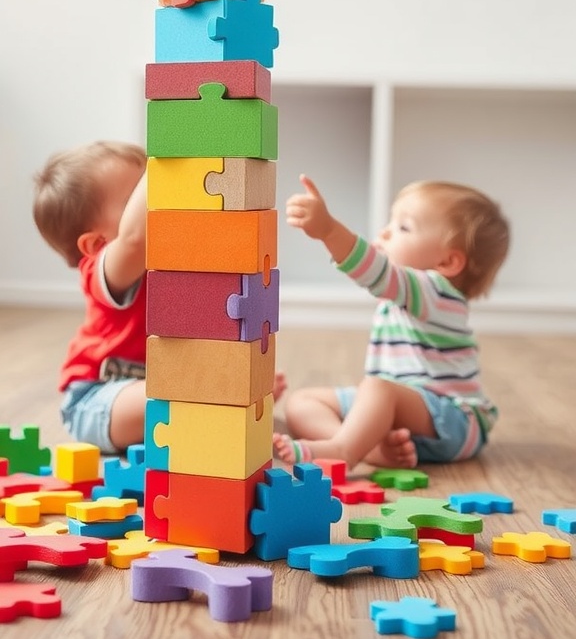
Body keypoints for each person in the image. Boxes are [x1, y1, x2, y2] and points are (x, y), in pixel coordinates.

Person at [33, 140, 286, 455]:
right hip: (95, 398)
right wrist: (168, 150)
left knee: (199, 389)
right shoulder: (100, 269)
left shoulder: (171, 263)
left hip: (160, 389)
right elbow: (135, 240)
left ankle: (225, 403)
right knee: (188, 389)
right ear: (97, 243)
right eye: (136, 201)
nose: (156, 203)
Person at [274, 174, 510, 471]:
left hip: (452, 420)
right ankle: (370, 450)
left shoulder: (435, 290)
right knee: (301, 402)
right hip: (402, 415)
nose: (385, 232)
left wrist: (329, 230)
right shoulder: (411, 293)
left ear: (447, 263)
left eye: (403, 227)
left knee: (377, 388)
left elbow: (376, 271)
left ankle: (344, 451)